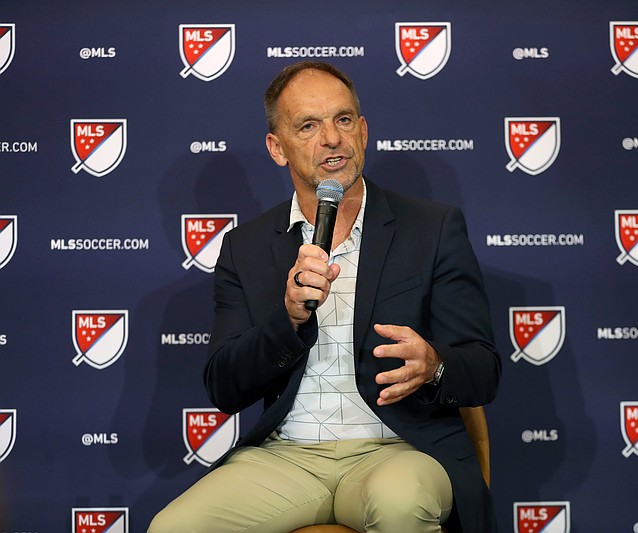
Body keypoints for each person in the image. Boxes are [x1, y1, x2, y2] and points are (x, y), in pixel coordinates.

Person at [149, 61, 501, 533]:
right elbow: (224, 389)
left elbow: (483, 370)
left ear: (364, 131)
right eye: (308, 126)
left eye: (344, 119)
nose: (332, 138)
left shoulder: (432, 228)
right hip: (286, 459)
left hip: (398, 449)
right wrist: (288, 319)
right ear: (277, 148)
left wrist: (434, 364)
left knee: (400, 503)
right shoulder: (245, 247)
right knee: (174, 527)